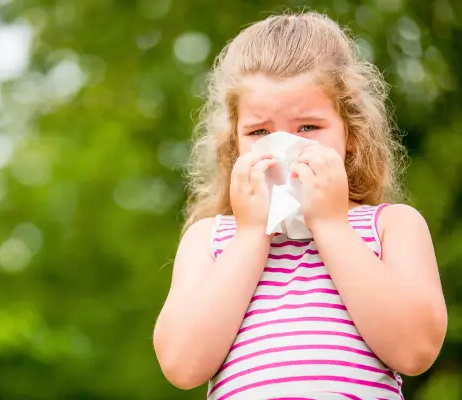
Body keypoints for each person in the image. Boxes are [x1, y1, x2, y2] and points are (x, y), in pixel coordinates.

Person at [152, 10, 448, 400]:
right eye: (259, 131)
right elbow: (181, 365)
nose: (284, 148)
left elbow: (415, 351)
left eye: (308, 127)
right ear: (234, 145)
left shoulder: (391, 226)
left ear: (351, 133)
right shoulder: (211, 239)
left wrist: (331, 226)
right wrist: (250, 234)